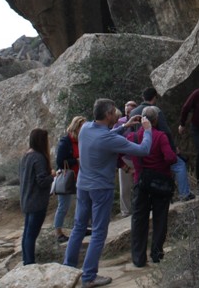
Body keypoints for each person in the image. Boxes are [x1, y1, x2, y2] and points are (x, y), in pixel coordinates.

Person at [63, 98, 153, 288]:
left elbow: (105, 135)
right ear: (108, 115)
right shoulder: (110, 139)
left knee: (79, 228)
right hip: (100, 189)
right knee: (98, 232)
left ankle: (67, 270)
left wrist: (125, 126)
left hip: (83, 186)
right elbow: (143, 150)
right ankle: (88, 277)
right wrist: (147, 130)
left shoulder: (86, 128)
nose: (115, 114)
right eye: (113, 112)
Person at [127, 105, 178, 267]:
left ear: (142, 119)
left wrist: (127, 168)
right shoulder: (161, 136)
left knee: (138, 219)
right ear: (156, 120)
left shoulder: (132, 137)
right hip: (160, 182)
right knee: (160, 217)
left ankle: (138, 258)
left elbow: (118, 154)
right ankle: (156, 253)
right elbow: (170, 158)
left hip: (140, 182)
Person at [131, 87, 195, 201]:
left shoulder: (133, 112)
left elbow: (132, 130)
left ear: (143, 97)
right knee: (179, 165)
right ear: (155, 97)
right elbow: (166, 131)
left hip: (141, 149)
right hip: (157, 146)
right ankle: (184, 193)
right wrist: (173, 148)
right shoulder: (155, 110)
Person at [19, 128, 53, 265]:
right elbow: (42, 181)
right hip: (37, 201)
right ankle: (29, 263)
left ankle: (26, 261)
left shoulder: (25, 156)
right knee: (31, 235)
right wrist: (53, 176)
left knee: (27, 233)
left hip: (26, 199)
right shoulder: (39, 157)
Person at [54, 115, 86, 243]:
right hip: (68, 176)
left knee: (82, 203)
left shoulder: (81, 140)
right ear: (76, 127)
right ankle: (58, 232)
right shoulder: (65, 141)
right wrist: (75, 161)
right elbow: (60, 162)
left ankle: (79, 227)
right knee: (63, 205)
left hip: (80, 176)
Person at [116, 100, 138, 217]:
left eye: (131, 108)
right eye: (126, 108)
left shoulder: (140, 121)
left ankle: (140, 206)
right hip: (124, 158)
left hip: (138, 157)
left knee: (139, 184)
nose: (128, 110)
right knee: (125, 187)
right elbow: (114, 138)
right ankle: (125, 211)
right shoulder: (119, 123)